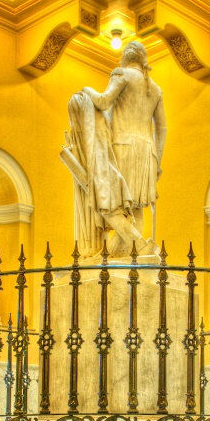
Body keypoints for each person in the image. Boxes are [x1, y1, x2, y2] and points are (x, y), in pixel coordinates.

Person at [60, 41, 167, 258]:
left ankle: (117, 258)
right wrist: (157, 160)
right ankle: (132, 258)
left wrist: (86, 90)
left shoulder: (122, 74)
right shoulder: (155, 88)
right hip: (147, 153)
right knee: (137, 208)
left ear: (126, 58)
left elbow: (103, 101)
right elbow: (162, 129)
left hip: (122, 146)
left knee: (113, 201)